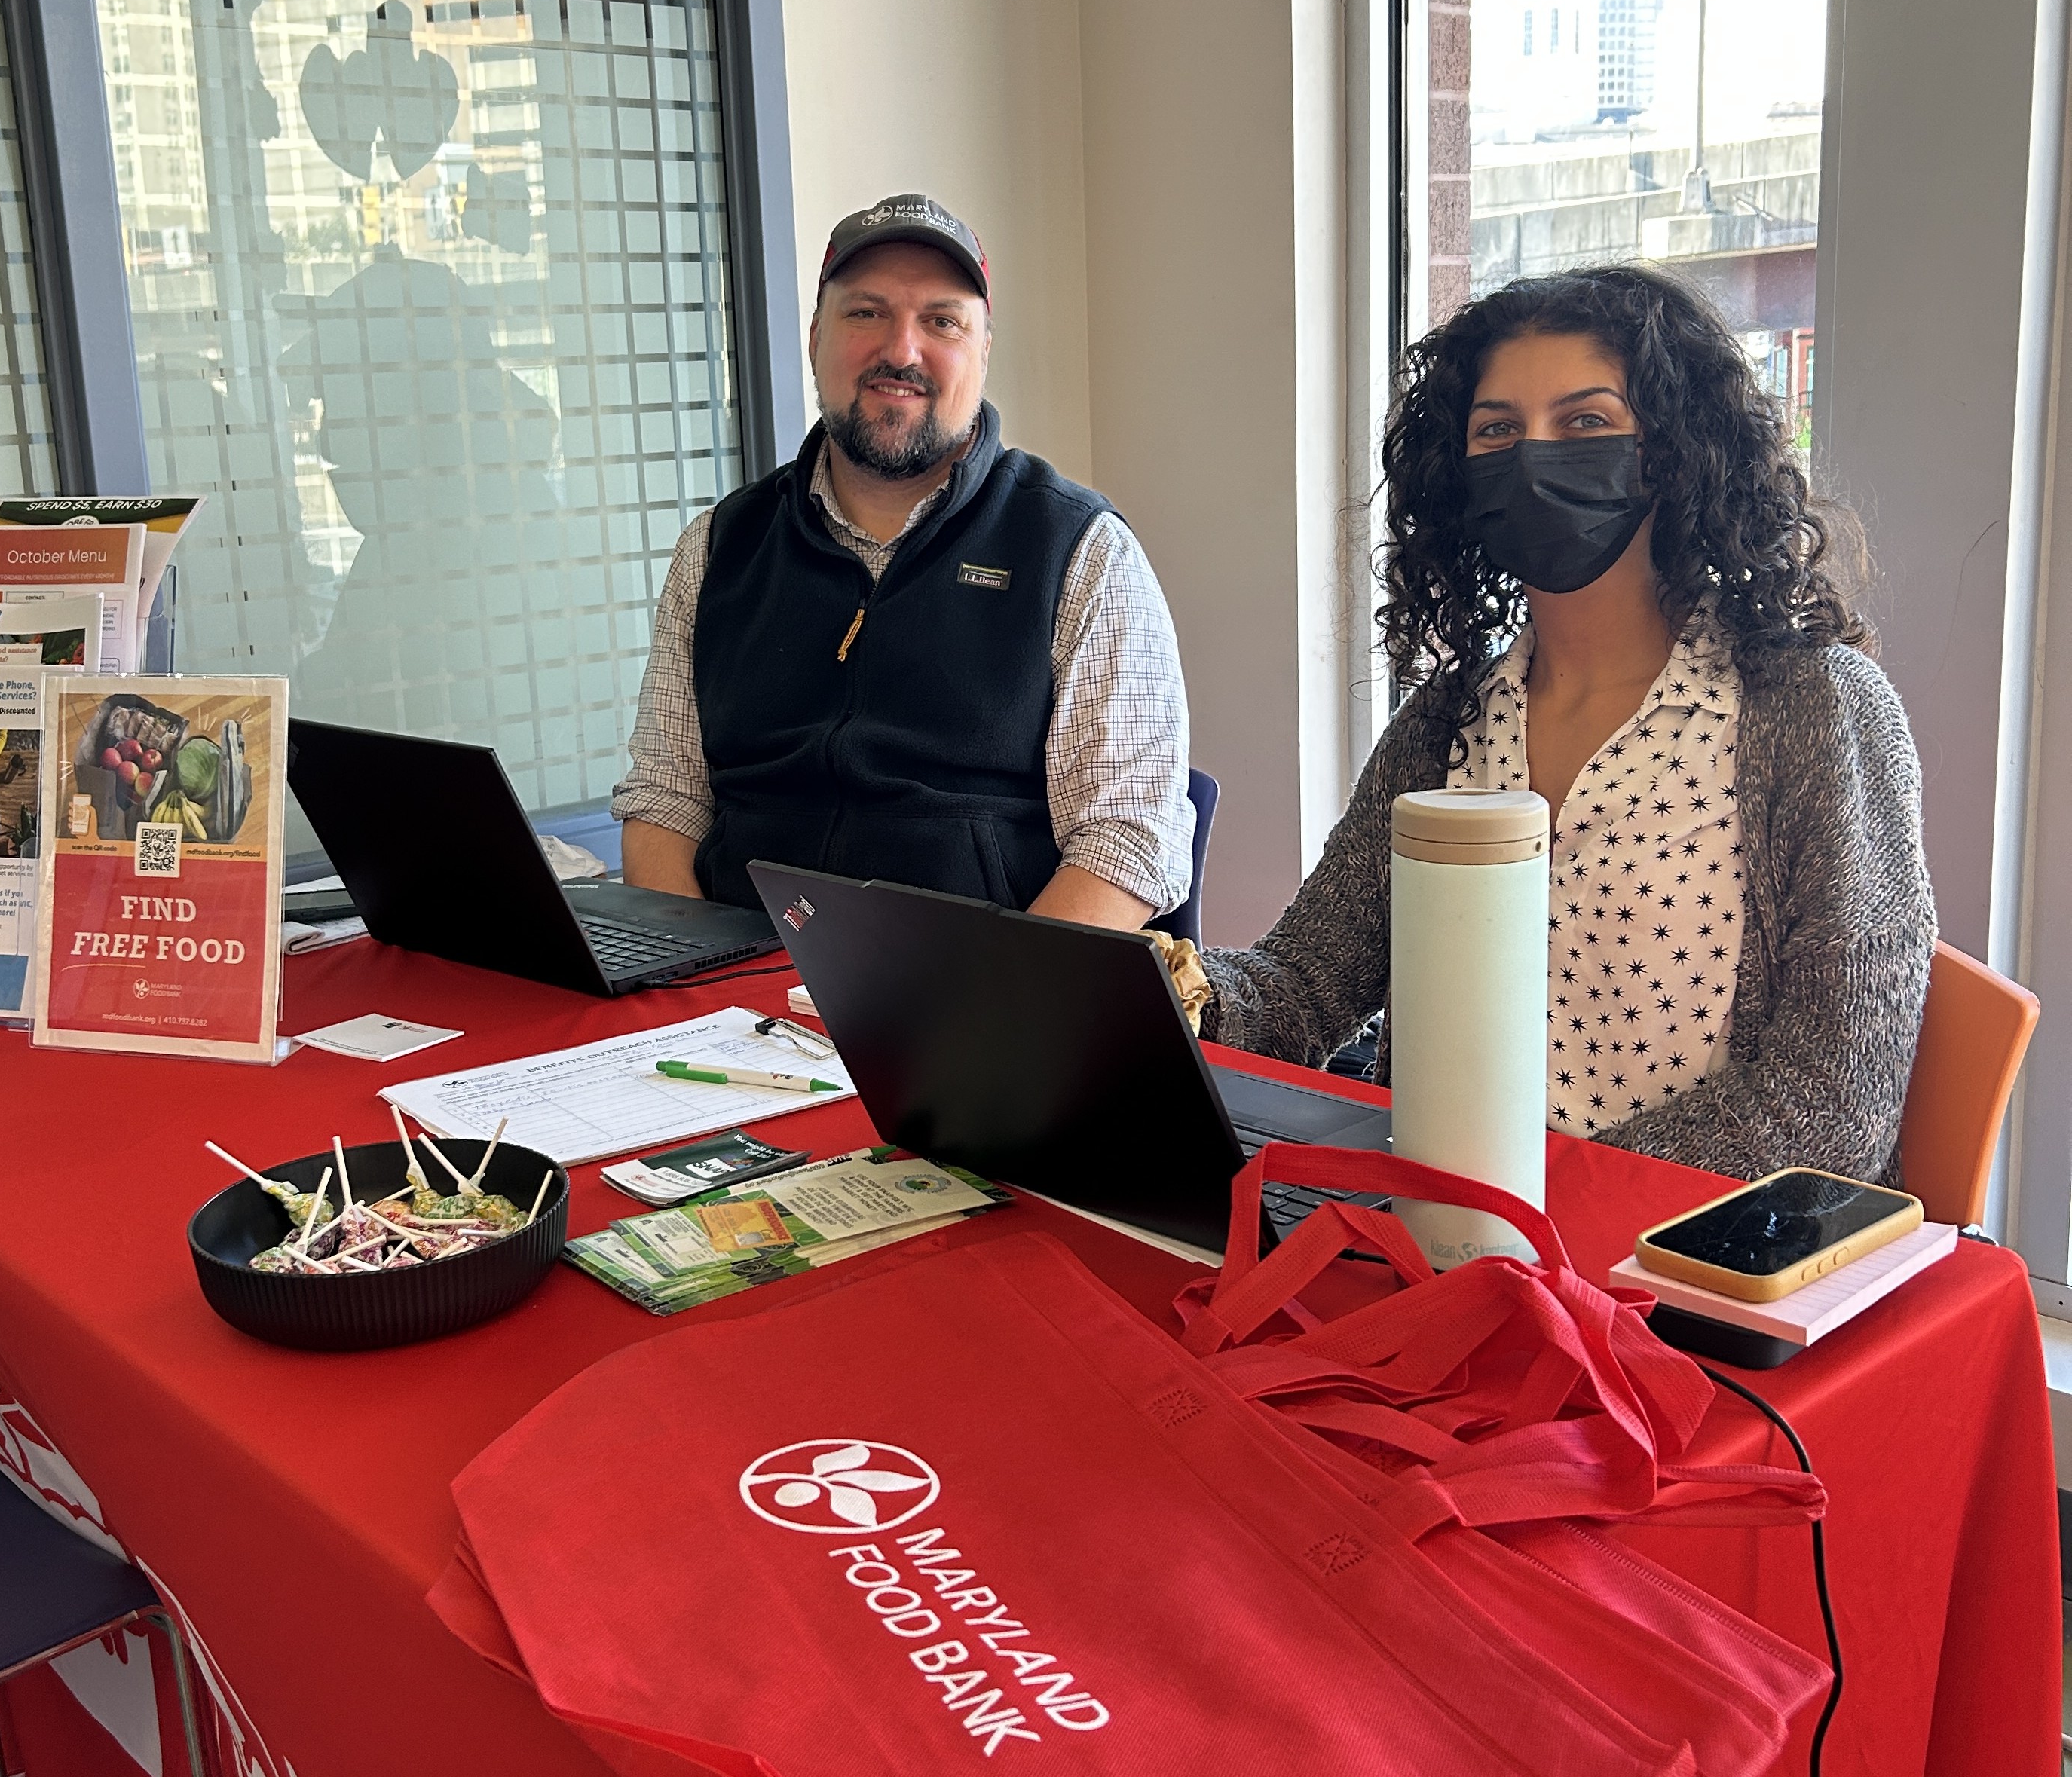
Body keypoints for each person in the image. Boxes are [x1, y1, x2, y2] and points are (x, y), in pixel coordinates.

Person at [1197, 263, 1936, 1182]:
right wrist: (1173, 986)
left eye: (1585, 422)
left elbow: (1834, 1104)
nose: (1534, 458)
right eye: (1497, 430)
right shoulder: (1444, 726)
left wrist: (1554, 1197)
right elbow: (1305, 984)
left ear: (1672, 451)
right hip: (1445, 1231)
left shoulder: (1815, 709)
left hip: (1677, 1251)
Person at [612, 194, 1195, 928]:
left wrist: (990, 994)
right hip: (742, 976)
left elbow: (1128, 842)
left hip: (979, 978)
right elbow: (665, 803)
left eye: (942, 322)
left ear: (983, 352)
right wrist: (687, 973)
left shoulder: (1080, 552)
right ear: (816, 337)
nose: (902, 351)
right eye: (867, 313)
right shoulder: (718, 548)